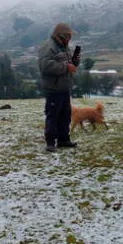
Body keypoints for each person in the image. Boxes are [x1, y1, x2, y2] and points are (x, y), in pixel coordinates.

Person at [38, 23, 79, 152]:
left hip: (64, 87)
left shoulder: (64, 47)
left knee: (65, 115)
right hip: (53, 89)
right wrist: (66, 67)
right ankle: (50, 142)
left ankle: (63, 140)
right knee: (53, 115)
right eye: (69, 36)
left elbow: (68, 63)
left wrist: (74, 62)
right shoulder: (48, 47)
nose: (70, 39)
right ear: (61, 36)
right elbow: (45, 66)